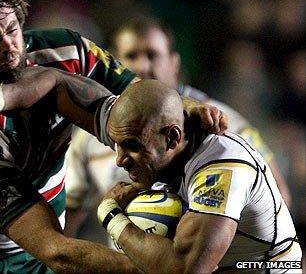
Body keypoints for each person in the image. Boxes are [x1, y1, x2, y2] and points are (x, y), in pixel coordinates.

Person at [0, 0, 226, 273]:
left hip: (25, 255)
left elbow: (137, 94)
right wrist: (154, 266)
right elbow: (55, 250)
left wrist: (189, 107)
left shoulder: (67, 51)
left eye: (12, 28)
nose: (11, 46)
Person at [64, 17, 292, 244]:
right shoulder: (91, 136)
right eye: (131, 56)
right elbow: (68, 219)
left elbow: (278, 199)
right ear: (114, 67)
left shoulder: (223, 122)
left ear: (174, 62)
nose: (143, 66)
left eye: (153, 55)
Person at [97, 80, 302, 273]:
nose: (119, 160)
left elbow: (186, 269)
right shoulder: (177, 151)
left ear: (172, 138)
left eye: (132, 146)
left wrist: (111, 216)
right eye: (117, 144)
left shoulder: (221, 169)